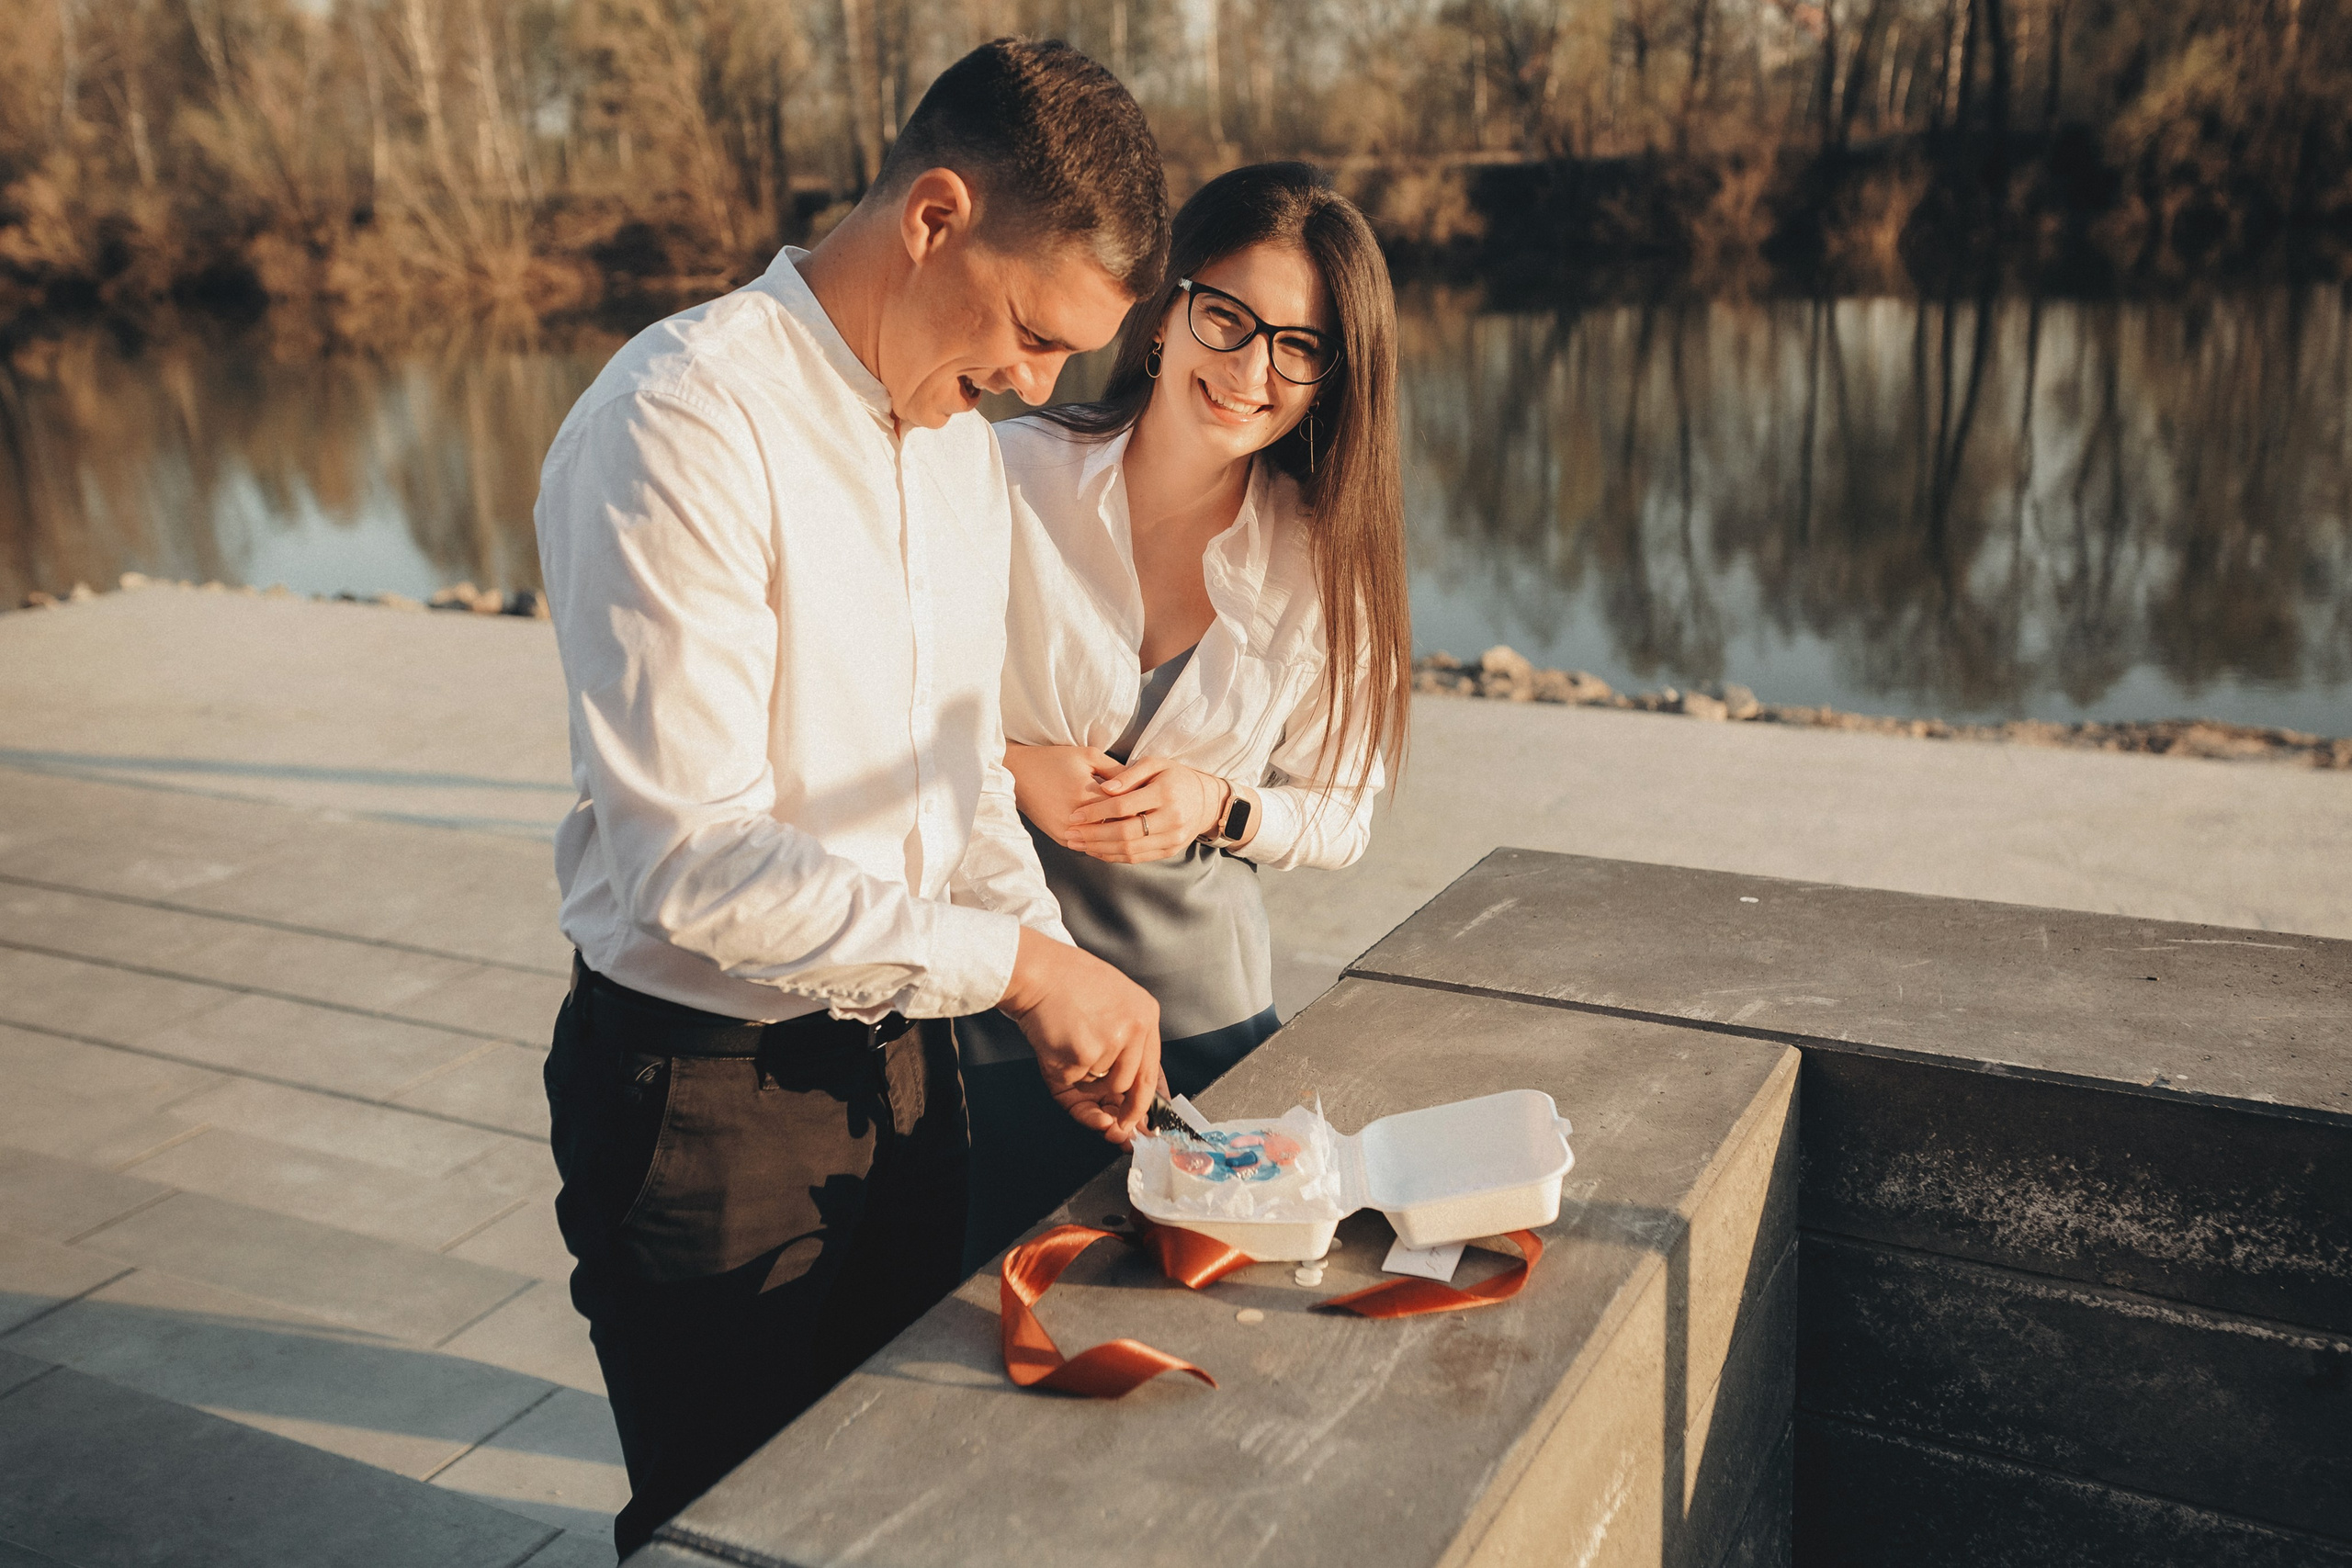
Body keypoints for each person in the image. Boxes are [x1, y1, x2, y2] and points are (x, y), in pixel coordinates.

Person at [531, 39, 1169, 1558]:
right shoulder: (681, 420)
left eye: (1070, 353)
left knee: (891, 1503)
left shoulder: (957, 446)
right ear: (934, 215)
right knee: (728, 1524)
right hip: (704, 1097)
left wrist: (1037, 977)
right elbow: (693, 861)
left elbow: (956, 779)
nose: (1039, 383)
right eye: (1029, 329)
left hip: (907, 1071)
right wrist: (1023, 964)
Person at [959, 162, 1412, 1266]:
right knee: (982, 1323)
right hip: (996, 998)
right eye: (1228, 318)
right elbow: (889, 707)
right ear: (1165, 311)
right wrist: (1016, 767)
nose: (1252, 369)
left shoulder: (1325, 556)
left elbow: (1342, 813)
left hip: (1202, 1019)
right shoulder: (1001, 476)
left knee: (1204, 1314)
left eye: (1298, 346)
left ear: (1328, 379)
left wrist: (1223, 804)